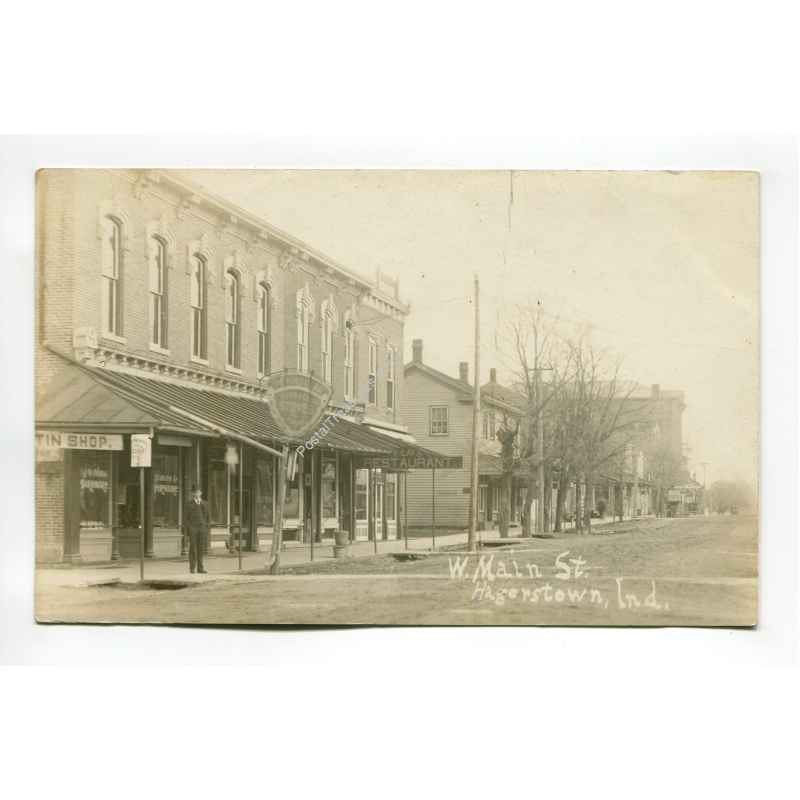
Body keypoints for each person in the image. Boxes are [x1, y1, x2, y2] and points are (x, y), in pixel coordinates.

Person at [184, 485, 209, 574]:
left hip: (202, 528)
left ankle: (200, 568)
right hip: (193, 528)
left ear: (201, 493)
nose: (196, 494)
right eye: (194, 492)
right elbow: (186, 518)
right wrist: (188, 530)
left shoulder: (205, 504)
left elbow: (207, 518)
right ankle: (192, 568)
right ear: (192, 494)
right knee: (193, 548)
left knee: (201, 548)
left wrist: (205, 528)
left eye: (198, 492)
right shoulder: (188, 504)